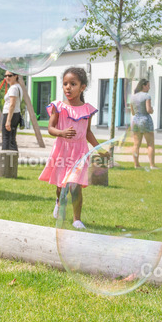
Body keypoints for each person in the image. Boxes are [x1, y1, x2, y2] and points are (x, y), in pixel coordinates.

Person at [39, 66, 99, 228]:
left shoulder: (87, 110)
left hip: (80, 152)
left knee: (75, 186)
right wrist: (61, 132)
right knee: (61, 186)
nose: (68, 87)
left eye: (73, 84)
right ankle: (59, 201)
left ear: (82, 87)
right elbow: (50, 128)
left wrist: (99, 148)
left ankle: (76, 219)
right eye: (65, 84)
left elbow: (87, 132)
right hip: (62, 150)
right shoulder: (58, 107)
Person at [127, 78, 155, 169]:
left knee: (136, 144)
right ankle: (152, 165)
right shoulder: (147, 96)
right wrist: (152, 110)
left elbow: (133, 112)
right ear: (143, 86)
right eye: (148, 86)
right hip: (145, 120)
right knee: (150, 144)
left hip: (135, 120)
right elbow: (148, 110)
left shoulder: (132, 97)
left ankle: (136, 164)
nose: (149, 88)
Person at [1, 71, 23, 152]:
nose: (7, 77)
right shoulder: (18, 86)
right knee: (11, 138)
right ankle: (12, 160)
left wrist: (8, 120)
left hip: (10, 114)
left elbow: (12, 104)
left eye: (10, 75)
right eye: (5, 75)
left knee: (6, 138)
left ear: (16, 76)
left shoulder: (13, 88)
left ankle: (5, 159)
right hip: (15, 114)